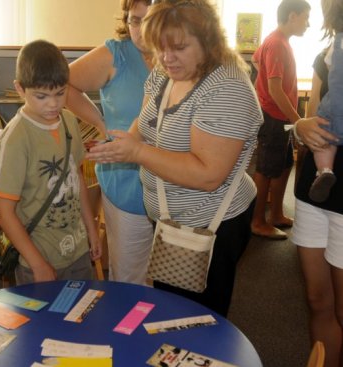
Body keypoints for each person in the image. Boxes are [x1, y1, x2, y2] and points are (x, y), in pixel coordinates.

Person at [86, 0, 262, 317]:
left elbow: (208, 175)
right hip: (172, 219)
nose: (166, 58)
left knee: (197, 320)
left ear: (209, 42)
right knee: (171, 310)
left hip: (210, 225)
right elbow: (145, 121)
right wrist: (124, 143)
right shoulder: (166, 71)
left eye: (178, 47)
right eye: (160, 47)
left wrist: (138, 152)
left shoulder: (227, 88)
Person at [0, 39, 102, 285]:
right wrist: (38, 263)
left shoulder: (69, 121)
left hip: (78, 250)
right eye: (41, 96)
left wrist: (91, 229)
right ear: (20, 89)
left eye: (60, 93)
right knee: (43, 322)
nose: (53, 104)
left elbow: (77, 178)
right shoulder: (16, 138)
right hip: (39, 257)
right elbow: (5, 213)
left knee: (82, 317)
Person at [65, 0, 154, 285]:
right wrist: (101, 124)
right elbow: (62, 84)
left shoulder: (178, 56)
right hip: (127, 183)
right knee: (129, 277)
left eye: (149, 20)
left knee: (169, 279)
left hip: (172, 184)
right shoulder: (116, 54)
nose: (140, 29)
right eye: (134, 20)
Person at [292, 0, 343, 365]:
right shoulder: (327, 52)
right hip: (315, 190)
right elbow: (310, 121)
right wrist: (298, 127)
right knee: (318, 300)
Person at [250, 0, 311, 240]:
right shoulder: (276, 43)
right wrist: (299, 121)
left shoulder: (277, 41)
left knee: (284, 165)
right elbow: (276, 90)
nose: (308, 24)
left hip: (279, 117)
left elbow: (256, 60)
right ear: (292, 16)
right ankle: (257, 221)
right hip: (274, 118)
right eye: (305, 18)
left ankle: (275, 213)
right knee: (266, 168)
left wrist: (261, 82)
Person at [307, 4, 343, 203]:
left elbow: (330, 66)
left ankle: (324, 171)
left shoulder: (335, 45)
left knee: (323, 142)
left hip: (333, 111)